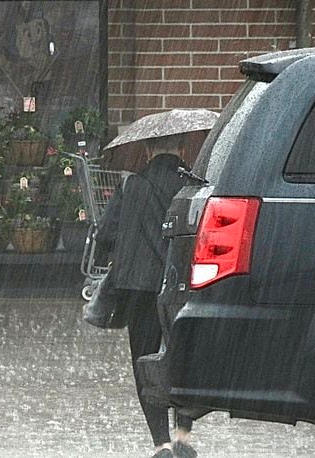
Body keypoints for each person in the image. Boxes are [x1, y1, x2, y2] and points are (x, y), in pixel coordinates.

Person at [96, 135, 200, 458]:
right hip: (182, 287)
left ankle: (161, 443)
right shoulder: (194, 187)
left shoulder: (132, 186)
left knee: (145, 361)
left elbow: (105, 235)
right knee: (183, 361)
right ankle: (184, 436)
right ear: (182, 150)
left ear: (146, 150)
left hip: (140, 286)